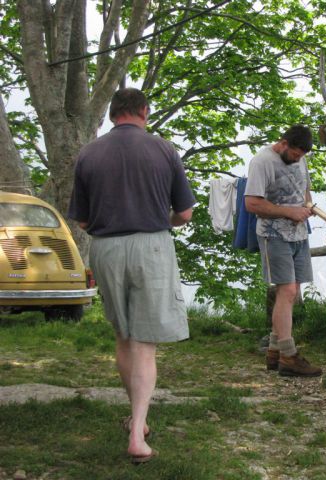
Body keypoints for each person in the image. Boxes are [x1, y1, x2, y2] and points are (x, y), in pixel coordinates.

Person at [68, 88, 195, 464]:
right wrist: (162, 220)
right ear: (144, 111)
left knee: (124, 336)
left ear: (111, 115)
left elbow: (83, 219)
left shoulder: (89, 153)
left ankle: (136, 420)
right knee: (145, 342)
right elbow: (185, 214)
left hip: (106, 248)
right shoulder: (163, 149)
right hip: (152, 245)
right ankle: (138, 432)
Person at [245, 125, 322, 377]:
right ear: (284, 143)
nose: (298, 158)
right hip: (273, 234)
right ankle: (289, 356)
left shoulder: (301, 159)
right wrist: (289, 212)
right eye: (296, 153)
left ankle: (274, 351)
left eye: (302, 155)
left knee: (293, 291)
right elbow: (252, 203)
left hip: (299, 233)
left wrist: (308, 205)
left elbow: (305, 189)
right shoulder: (262, 161)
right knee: (286, 290)